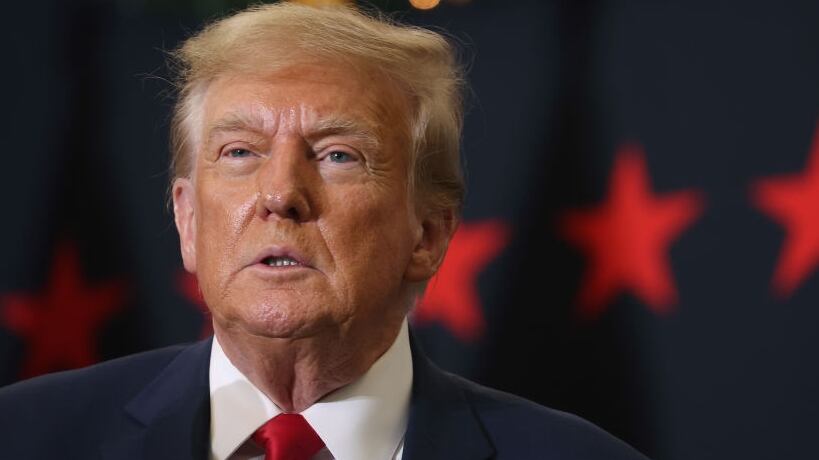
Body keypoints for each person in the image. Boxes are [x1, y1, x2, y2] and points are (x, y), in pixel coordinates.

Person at [0, 3, 649, 459]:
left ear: (428, 233)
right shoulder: (23, 437)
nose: (280, 194)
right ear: (189, 220)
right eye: (239, 152)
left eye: (338, 154)